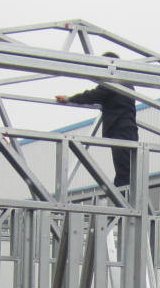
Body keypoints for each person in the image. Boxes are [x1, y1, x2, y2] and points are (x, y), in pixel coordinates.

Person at [56, 55, 140, 190]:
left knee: (124, 172)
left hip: (121, 130)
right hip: (126, 130)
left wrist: (70, 99)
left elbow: (93, 95)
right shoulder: (125, 83)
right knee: (126, 169)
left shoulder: (114, 82)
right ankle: (123, 195)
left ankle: (122, 197)